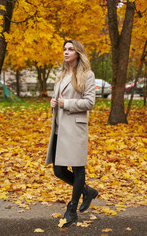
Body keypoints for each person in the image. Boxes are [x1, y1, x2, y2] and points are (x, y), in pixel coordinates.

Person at [46, 39, 98, 227]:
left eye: (70, 49)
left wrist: (65, 104)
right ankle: (87, 191)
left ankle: (72, 210)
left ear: (78, 53)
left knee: (77, 169)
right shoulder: (61, 75)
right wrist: (53, 104)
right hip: (60, 128)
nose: (66, 52)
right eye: (64, 49)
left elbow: (89, 102)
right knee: (58, 170)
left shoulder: (87, 74)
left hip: (75, 128)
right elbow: (57, 99)